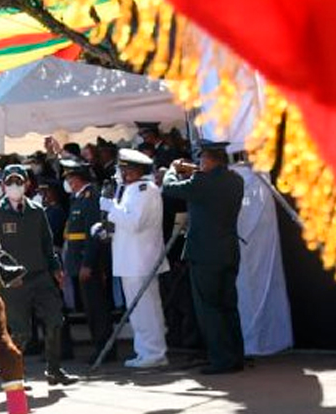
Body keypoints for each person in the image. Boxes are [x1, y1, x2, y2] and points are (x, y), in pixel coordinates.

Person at [162, 140, 246, 374]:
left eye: (201, 159)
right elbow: (208, 181)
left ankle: (221, 360)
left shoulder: (201, 182)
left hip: (206, 254)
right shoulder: (235, 180)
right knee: (229, 307)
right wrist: (194, 170)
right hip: (229, 252)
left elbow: (170, 188)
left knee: (210, 309)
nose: (199, 163)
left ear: (208, 159)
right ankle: (235, 356)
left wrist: (172, 169)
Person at [0, 166, 77, 385]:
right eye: (9, 181)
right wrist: (4, 274)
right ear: (3, 185)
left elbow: (47, 243)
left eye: (18, 181)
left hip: (40, 276)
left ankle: (54, 370)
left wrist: (56, 268)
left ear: (27, 184)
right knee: (21, 332)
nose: (14, 186)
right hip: (14, 281)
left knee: (54, 320)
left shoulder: (36, 210)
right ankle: (14, 373)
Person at [102, 149, 170, 368]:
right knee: (138, 310)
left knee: (146, 309)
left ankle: (155, 353)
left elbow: (135, 223)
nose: (120, 174)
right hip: (130, 259)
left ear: (133, 171)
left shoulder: (144, 190)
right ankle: (145, 351)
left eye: (123, 169)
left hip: (140, 260)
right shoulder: (132, 190)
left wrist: (110, 207)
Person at [61, 161, 114, 362]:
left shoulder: (91, 197)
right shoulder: (79, 198)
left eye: (69, 178)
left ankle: (104, 348)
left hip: (88, 262)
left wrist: (88, 264)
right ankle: (99, 345)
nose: (68, 182)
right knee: (90, 307)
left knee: (97, 307)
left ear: (76, 179)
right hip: (78, 260)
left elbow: (93, 234)